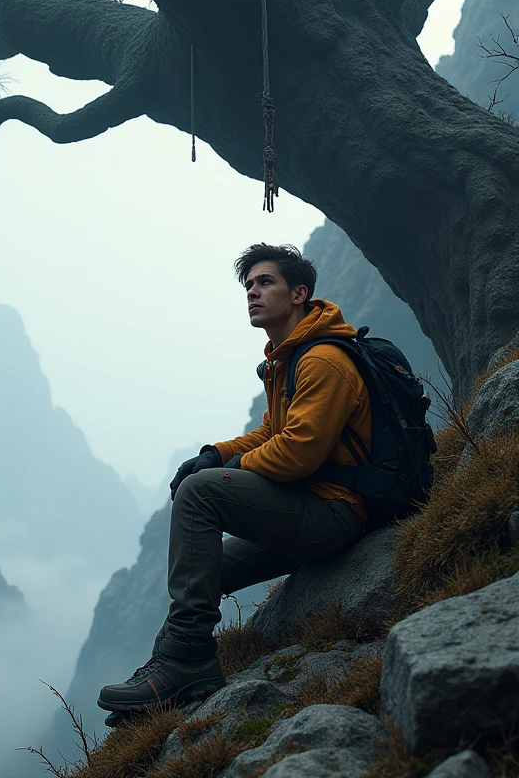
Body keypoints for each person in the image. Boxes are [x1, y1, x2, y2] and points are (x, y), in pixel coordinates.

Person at [97, 243, 371, 718]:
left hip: (336, 513)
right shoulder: (290, 356)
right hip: (312, 509)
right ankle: (170, 664)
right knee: (203, 568)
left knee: (199, 495)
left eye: (265, 282)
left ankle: (187, 660)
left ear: (299, 293)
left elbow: (299, 451)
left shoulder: (323, 360)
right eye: (249, 285)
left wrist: (222, 473)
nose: (253, 293)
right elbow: (273, 432)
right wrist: (214, 455)